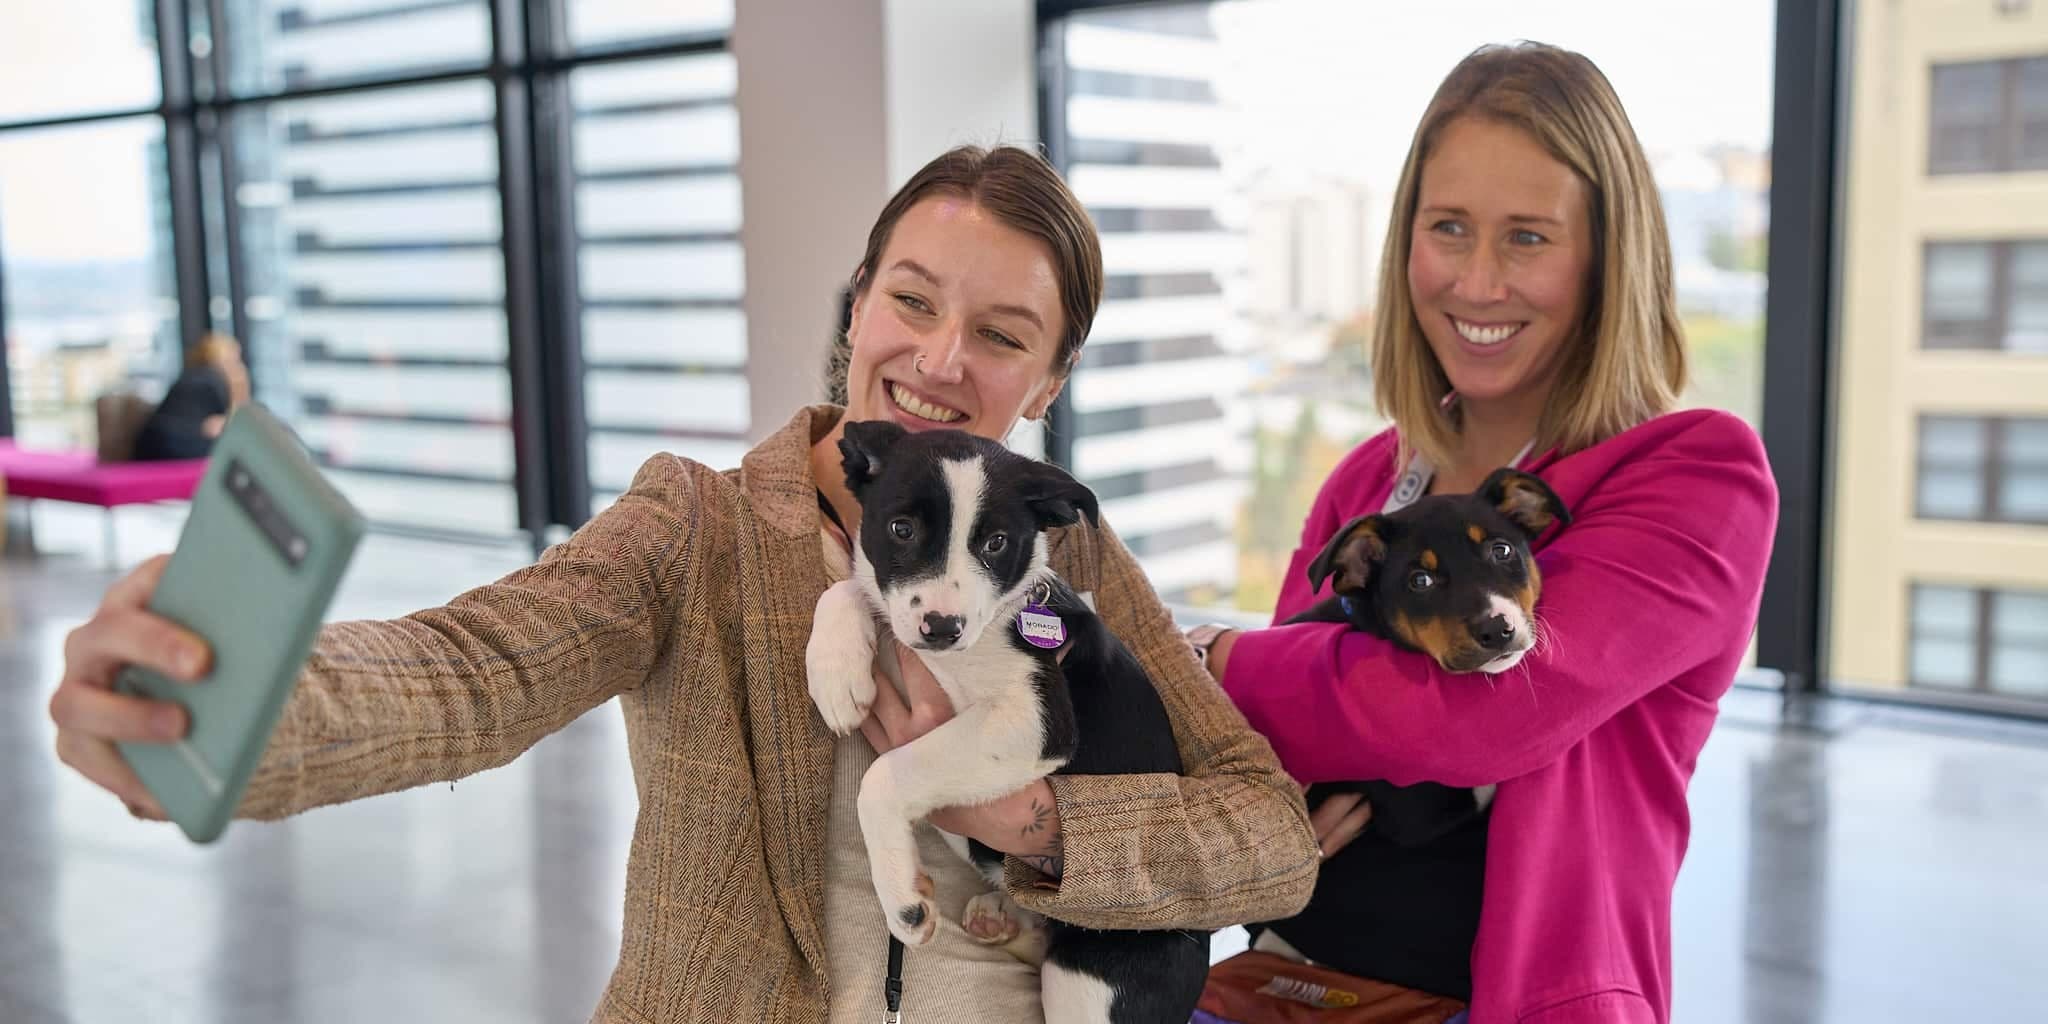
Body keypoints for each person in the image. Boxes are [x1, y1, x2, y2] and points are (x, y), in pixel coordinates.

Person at [48, 144, 1319, 1024]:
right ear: (854, 305)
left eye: (998, 335)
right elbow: (473, 669)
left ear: (1046, 383)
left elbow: (1267, 838)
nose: (937, 358)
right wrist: (240, 707)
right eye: (910, 300)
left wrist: (1033, 828)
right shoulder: (700, 527)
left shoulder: (1075, 566)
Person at [1186, 44, 1778, 1024]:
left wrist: (1212, 657)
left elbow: (1490, 709)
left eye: (1528, 238)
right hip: (1279, 982)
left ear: (1604, 258)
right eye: (1447, 228)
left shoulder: (1692, 472)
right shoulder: (1368, 481)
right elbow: (1258, 752)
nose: (1477, 280)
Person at [131, 331, 251, 461]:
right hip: (168, 448)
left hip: (153, 446)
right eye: (235, 359)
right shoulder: (210, 381)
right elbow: (219, 425)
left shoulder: (193, 378)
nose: (239, 366)